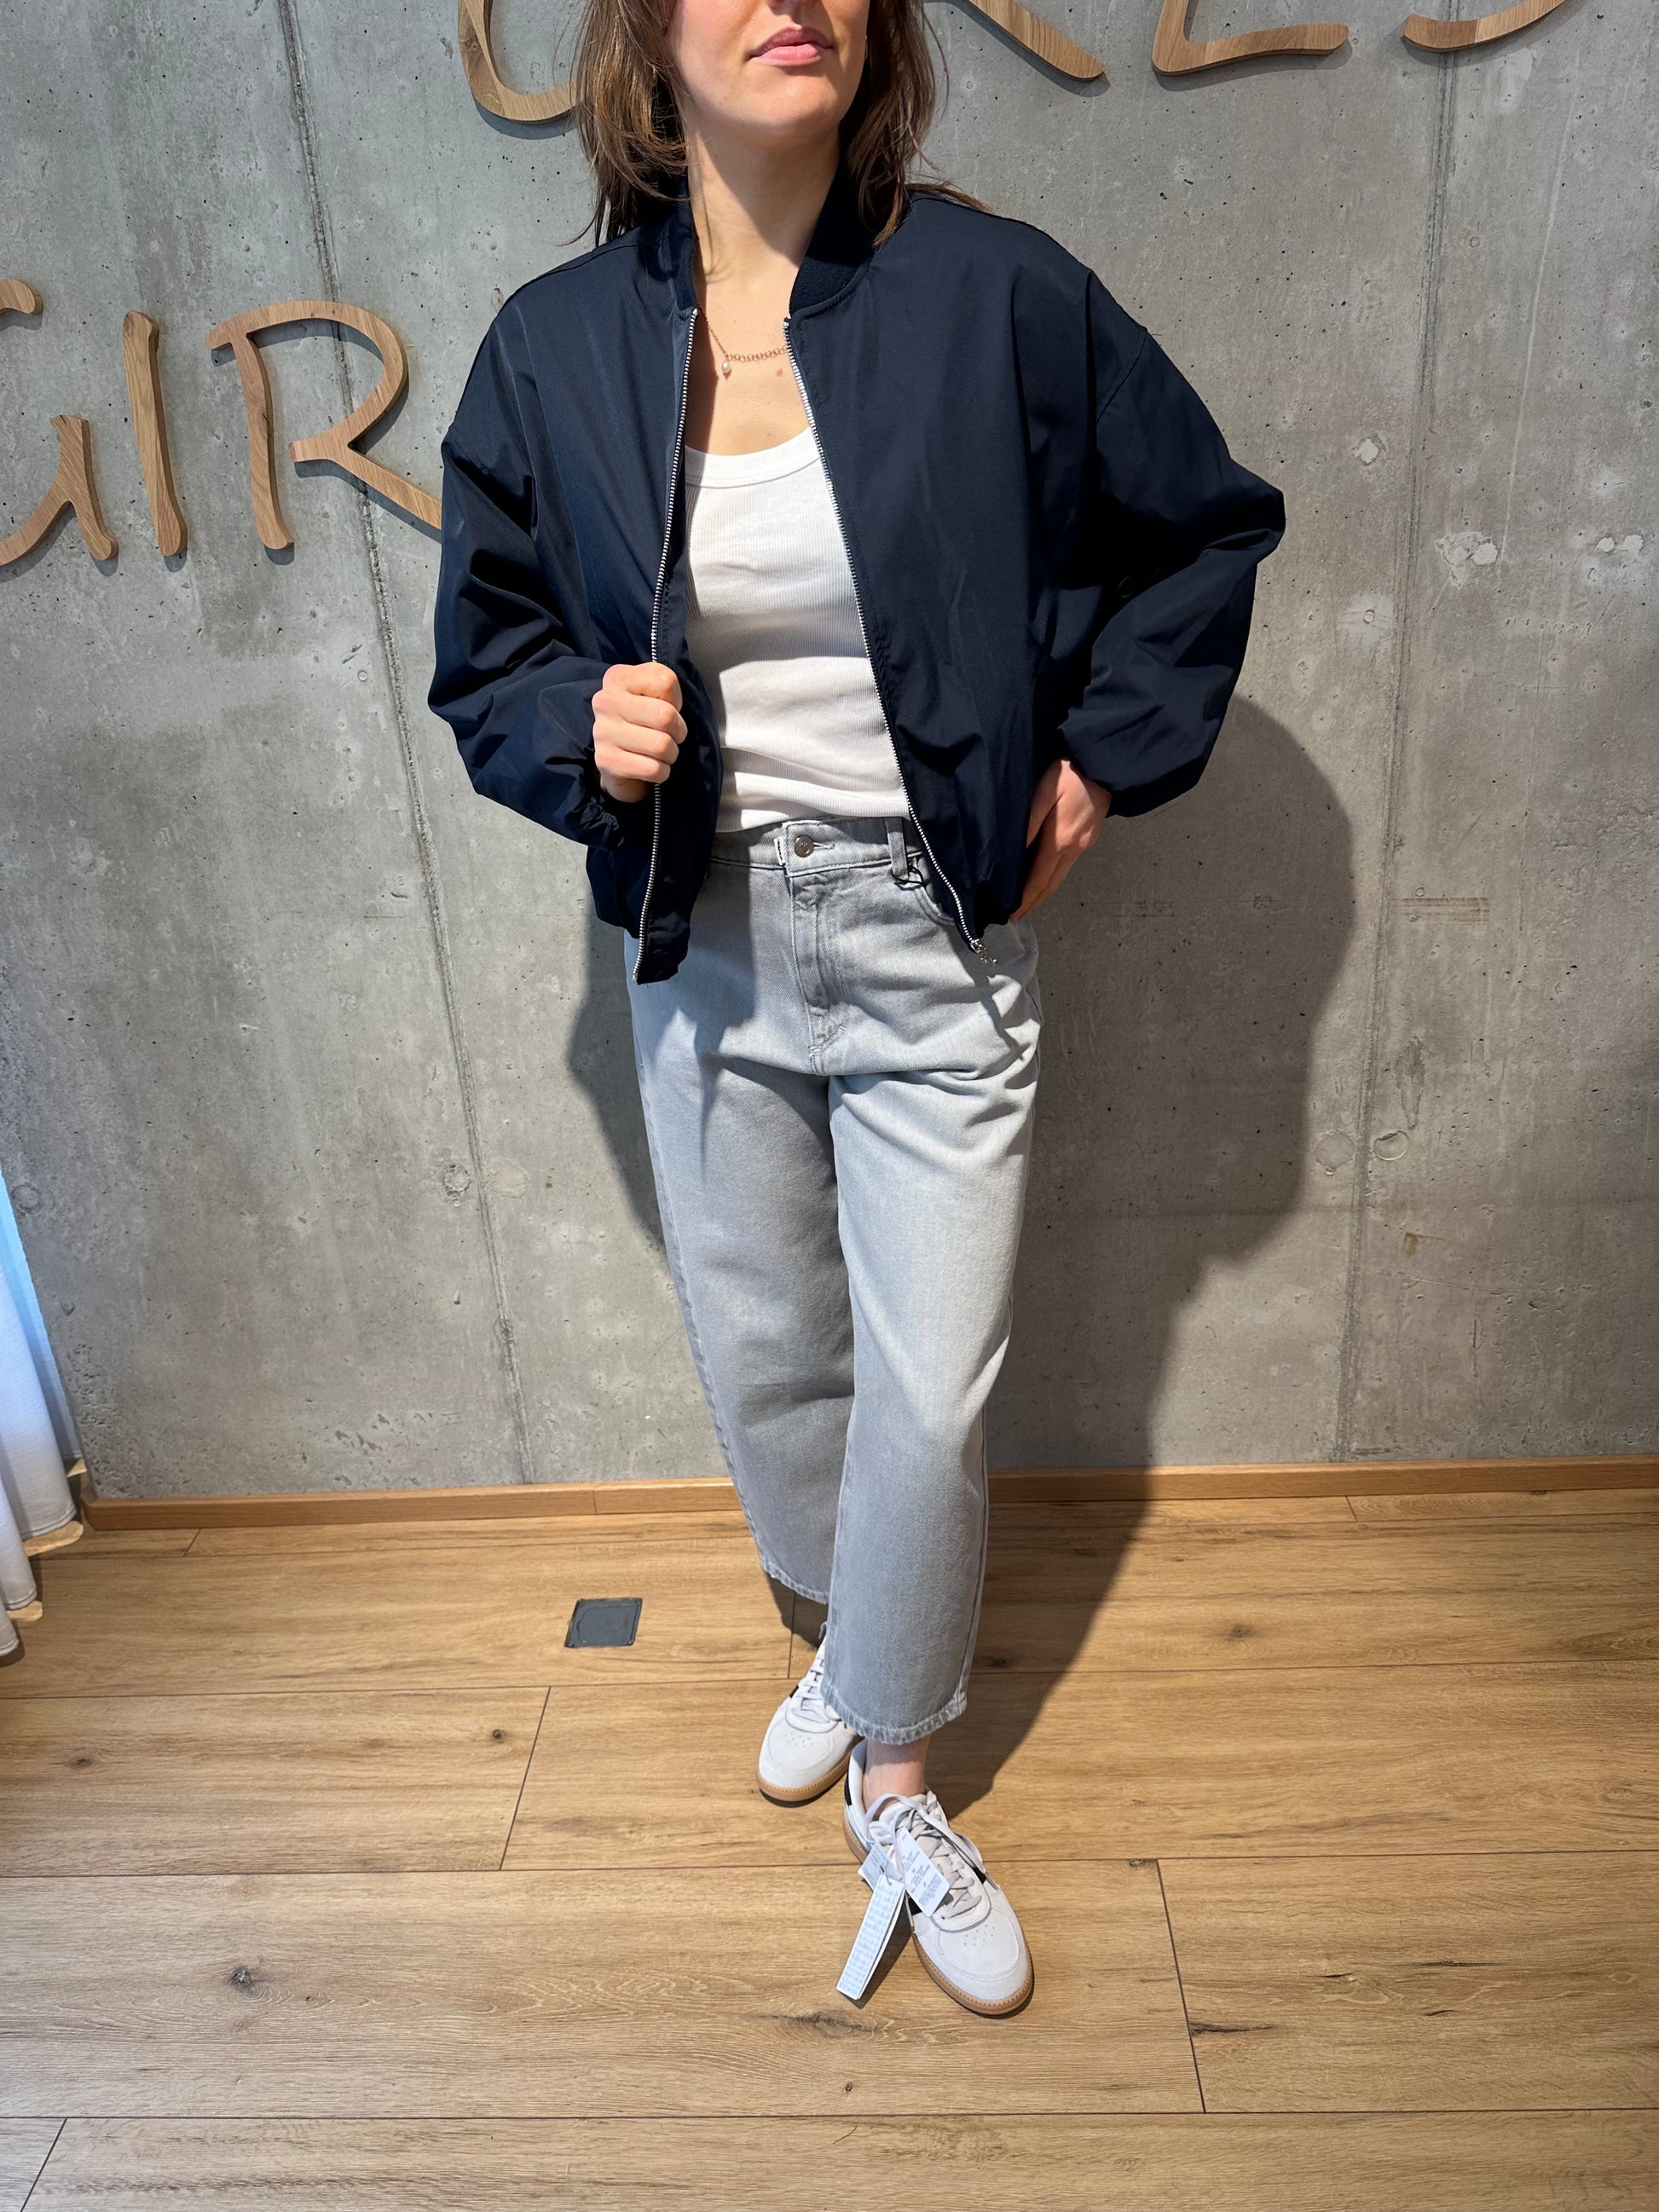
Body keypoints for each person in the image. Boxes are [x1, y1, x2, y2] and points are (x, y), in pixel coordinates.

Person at [428, 0, 1285, 2018]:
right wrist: (575, 722)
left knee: (928, 1377)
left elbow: (1204, 527)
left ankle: (898, 1772)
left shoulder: (995, 296)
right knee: (769, 1355)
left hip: (930, 922)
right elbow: (491, 652)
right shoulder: (554, 346)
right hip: (701, 926)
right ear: (649, 36)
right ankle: (849, 1640)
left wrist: (1097, 763)